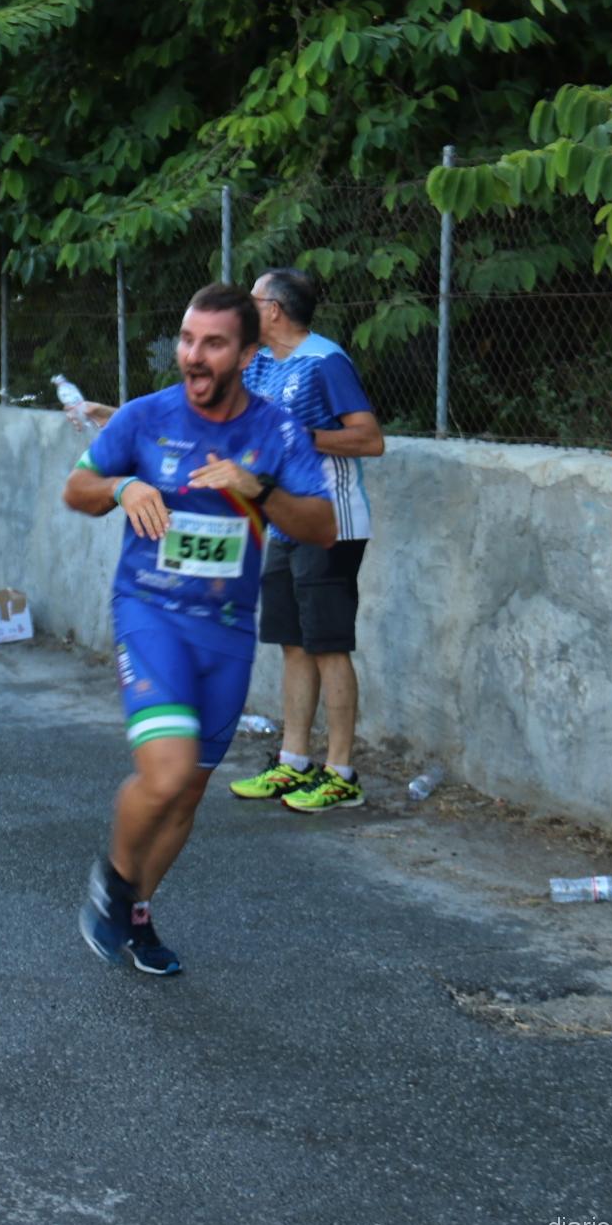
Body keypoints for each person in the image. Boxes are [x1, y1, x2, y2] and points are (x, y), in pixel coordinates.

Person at [63, 283, 334, 977]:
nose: (194, 355)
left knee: (188, 791)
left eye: (213, 343)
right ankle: (113, 882)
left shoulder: (277, 432)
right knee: (168, 770)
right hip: (150, 613)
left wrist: (258, 489)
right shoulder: (145, 417)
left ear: (246, 355)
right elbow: (77, 489)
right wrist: (123, 487)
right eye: (187, 339)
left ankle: (137, 911)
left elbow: (322, 528)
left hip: (228, 629)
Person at [228, 268, 386, 812]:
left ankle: (341, 775)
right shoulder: (261, 364)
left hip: (330, 522)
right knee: (292, 644)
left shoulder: (325, 361)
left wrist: (302, 436)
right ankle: (293, 762)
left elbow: (370, 439)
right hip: (284, 522)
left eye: (251, 299)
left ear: (273, 309)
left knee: (328, 647)